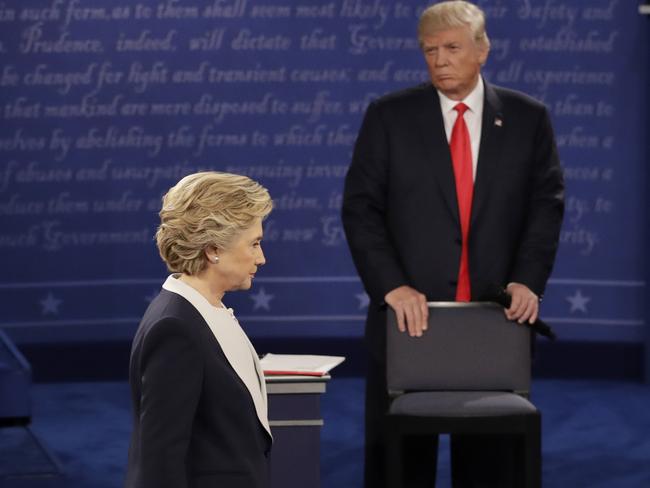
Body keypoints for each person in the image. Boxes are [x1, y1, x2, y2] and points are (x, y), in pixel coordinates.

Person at [342, 1, 565, 487]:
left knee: (491, 464)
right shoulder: (390, 117)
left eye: (451, 48)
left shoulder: (528, 119)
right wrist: (391, 287)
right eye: (429, 51)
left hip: (494, 319)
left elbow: (545, 207)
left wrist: (527, 279)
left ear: (482, 50)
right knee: (400, 466)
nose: (439, 60)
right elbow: (361, 210)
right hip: (407, 317)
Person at [124, 171, 274, 488]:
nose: (261, 258)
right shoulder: (175, 329)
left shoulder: (209, 311)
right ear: (212, 249)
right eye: (255, 243)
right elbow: (159, 462)